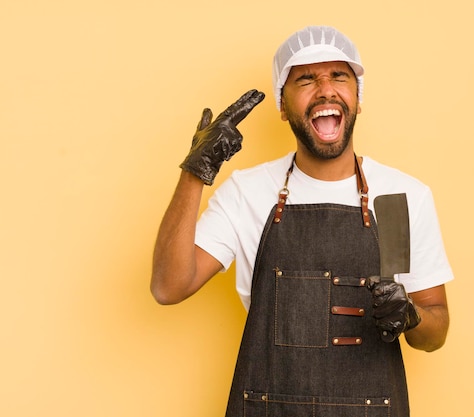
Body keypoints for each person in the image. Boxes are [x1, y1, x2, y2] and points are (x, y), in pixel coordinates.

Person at [151, 25, 454, 416]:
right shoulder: (248, 192)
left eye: (339, 76)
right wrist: (196, 171)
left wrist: (410, 315)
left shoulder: (397, 199)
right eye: (306, 79)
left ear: (357, 99)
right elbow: (167, 287)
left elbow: (434, 335)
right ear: (282, 105)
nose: (325, 89)